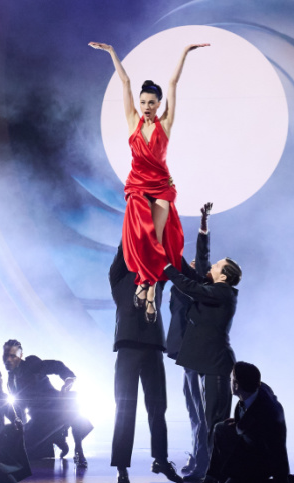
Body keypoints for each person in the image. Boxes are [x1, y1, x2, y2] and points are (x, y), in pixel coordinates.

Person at [89, 40, 208, 321]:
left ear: (159, 104)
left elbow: (173, 83)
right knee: (142, 238)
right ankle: (147, 289)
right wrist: (112, 53)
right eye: (142, 102)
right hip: (138, 187)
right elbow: (126, 81)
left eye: (151, 103)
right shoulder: (133, 121)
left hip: (161, 188)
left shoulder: (165, 124)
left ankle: (149, 289)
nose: (145, 107)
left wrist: (184, 51)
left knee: (156, 242)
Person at [162, 241, 241, 481]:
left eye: (218, 266)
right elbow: (192, 274)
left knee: (216, 423)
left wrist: (167, 267)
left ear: (225, 276)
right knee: (209, 422)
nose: (212, 266)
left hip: (216, 363)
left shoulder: (223, 292)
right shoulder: (213, 288)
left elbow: (191, 286)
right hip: (204, 361)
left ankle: (217, 474)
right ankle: (211, 472)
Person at [109, 242, 182, 483]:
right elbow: (124, 246)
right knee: (125, 409)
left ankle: (160, 459)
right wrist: (133, 223)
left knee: (158, 406)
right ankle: (121, 469)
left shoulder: (157, 279)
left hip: (152, 347)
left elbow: (167, 255)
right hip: (128, 347)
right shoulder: (120, 278)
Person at [191, 362, 294, 483]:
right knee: (221, 429)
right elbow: (253, 411)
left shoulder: (269, 416)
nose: (229, 381)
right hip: (248, 445)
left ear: (236, 385)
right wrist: (242, 421)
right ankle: (215, 481)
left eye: (231, 379)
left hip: (260, 461)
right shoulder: (256, 390)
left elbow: (279, 454)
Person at [168, 203, 213, 477]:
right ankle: (198, 456)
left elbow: (202, 257)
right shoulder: (179, 285)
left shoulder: (200, 285)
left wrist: (203, 226)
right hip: (184, 355)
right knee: (192, 409)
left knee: (200, 409)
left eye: (198, 265)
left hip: (197, 353)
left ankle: (202, 462)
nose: (193, 264)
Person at [3, 340, 93, 466]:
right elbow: (19, 407)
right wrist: (20, 429)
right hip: (39, 418)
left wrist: (68, 380)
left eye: (12, 356)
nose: (8, 359)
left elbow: (57, 366)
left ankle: (78, 450)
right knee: (27, 449)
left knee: (72, 401)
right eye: (5, 356)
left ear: (20, 356)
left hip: (58, 406)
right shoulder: (10, 381)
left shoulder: (32, 363)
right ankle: (57, 437)